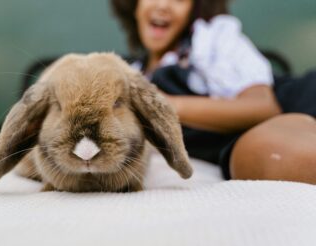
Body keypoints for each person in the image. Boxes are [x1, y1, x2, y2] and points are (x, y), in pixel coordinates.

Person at [110, 0, 316, 184]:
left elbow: (265, 106)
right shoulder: (129, 72)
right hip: (243, 143)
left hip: (299, 100)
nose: (163, 4)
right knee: (261, 157)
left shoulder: (209, 38)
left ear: (194, 8)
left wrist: (164, 105)